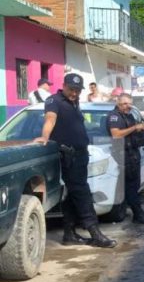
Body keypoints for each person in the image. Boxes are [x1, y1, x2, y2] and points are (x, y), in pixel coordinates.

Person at [34, 73, 116, 248]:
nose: (74, 93)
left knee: (72, 194)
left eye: (78, 90)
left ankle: (69, 234)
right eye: (71, 89)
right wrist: (45, 136)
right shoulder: (54, 101)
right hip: (68, 155)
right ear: (63, 85)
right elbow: (50, 119)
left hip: (80, 155)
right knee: (82, 193)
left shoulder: (75, 102)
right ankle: (95, 232)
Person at [106, 94, 144, 224]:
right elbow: (116, 134)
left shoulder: (129, 115)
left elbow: (133, 132)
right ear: (118, 103)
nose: (128, 106)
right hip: (123, 154)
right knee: (130, 187)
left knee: (134, 185)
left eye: (129, 104)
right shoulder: (114, 116)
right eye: (124, 104)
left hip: (133, 153)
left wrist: (142, 128)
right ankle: (138, 214)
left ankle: (136, 213)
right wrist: (135, 127)